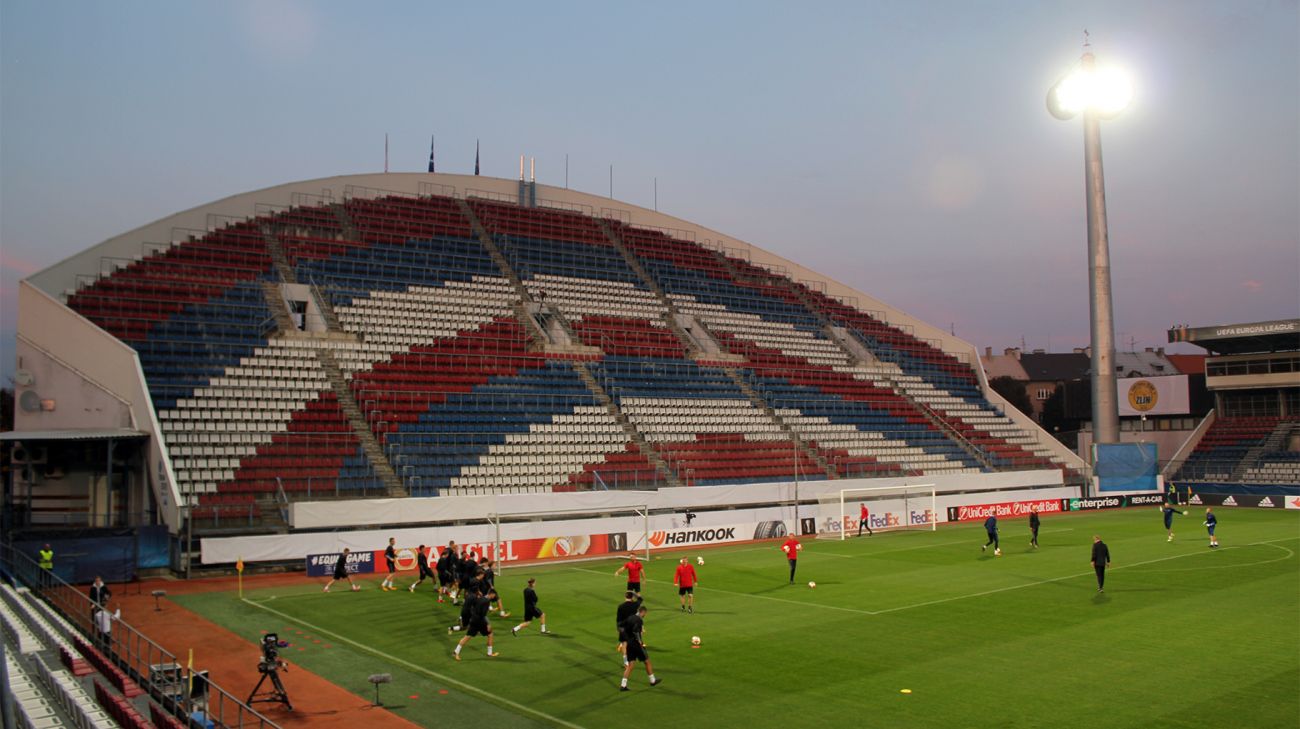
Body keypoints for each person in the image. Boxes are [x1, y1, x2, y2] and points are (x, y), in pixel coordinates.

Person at [618, 605, 660, 691]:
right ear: (643, 612)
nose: (645, 615)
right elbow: (635, 631)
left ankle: (623, 685)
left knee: (630, 665)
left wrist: (625, 639)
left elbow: (620, 626)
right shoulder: (639, 620)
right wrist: (640, 641)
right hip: (636, 645)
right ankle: (652, 681)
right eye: (645, 614)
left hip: (629, 644)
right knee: (647, 661)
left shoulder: (630, 617)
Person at [453, 588, 499, 661]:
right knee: (490, 634)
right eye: (494, 595)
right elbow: (483, 614)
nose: (494, 597)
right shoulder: (487, 601)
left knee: (467, 636)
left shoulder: (481, 598)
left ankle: (456, 651)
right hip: (480, 621)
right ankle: (489, 653)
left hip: (473, 619)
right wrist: (488, 624)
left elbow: (475, 608)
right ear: (491, 594)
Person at [616, 591, 643, 664]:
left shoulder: (621, 606)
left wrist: (618, 628)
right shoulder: (635, 605)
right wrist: (634, 593)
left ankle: (625, 661)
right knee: (634, 642)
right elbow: (640, 599)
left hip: (623, 627)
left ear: (625, 597)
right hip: (633, 626)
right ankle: (634, 658)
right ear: (632, 597)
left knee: (624, 643)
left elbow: (618, 619)